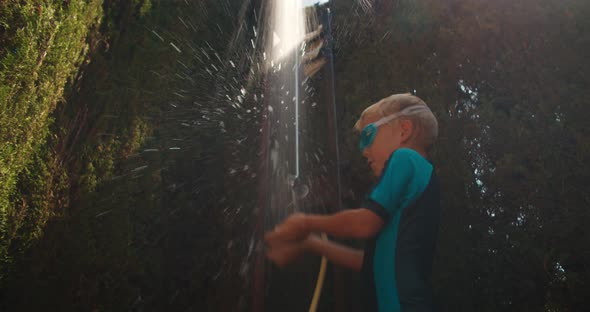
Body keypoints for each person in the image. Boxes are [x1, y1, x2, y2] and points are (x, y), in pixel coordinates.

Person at [264, 93, 440, 312]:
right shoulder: (420, 181)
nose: (363, 149)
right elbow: (370, 263)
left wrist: (304, 222)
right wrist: (311, 243)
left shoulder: (405, 158)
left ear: (404, 130)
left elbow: (364, 223)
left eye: (368, 135)